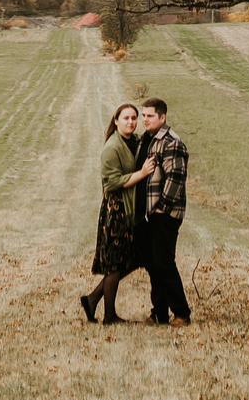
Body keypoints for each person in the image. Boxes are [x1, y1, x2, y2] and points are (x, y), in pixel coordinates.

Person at [81, 101, 155, 324]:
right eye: (126, 118)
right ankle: (109, 315)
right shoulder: (112, 147)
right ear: (116, 121)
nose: (131, 122)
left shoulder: (134, 141)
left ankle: (92, 299)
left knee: (132, 259)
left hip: (130, 210)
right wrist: (142, 174)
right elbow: (112, 183)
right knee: (115, 263)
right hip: (116, 211)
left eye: (134, 118)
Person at [137, 97, 192, 326]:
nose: (145, 120)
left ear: (162, 117)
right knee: (153, 263)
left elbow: (176, 177)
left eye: (150, 116)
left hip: (165, 214)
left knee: (164, 262)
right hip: (149, 213)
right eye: (143, 115)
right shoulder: (147, 140)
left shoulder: (171, 142)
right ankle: (159, 313)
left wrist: (162, 208)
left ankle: (182, 313)